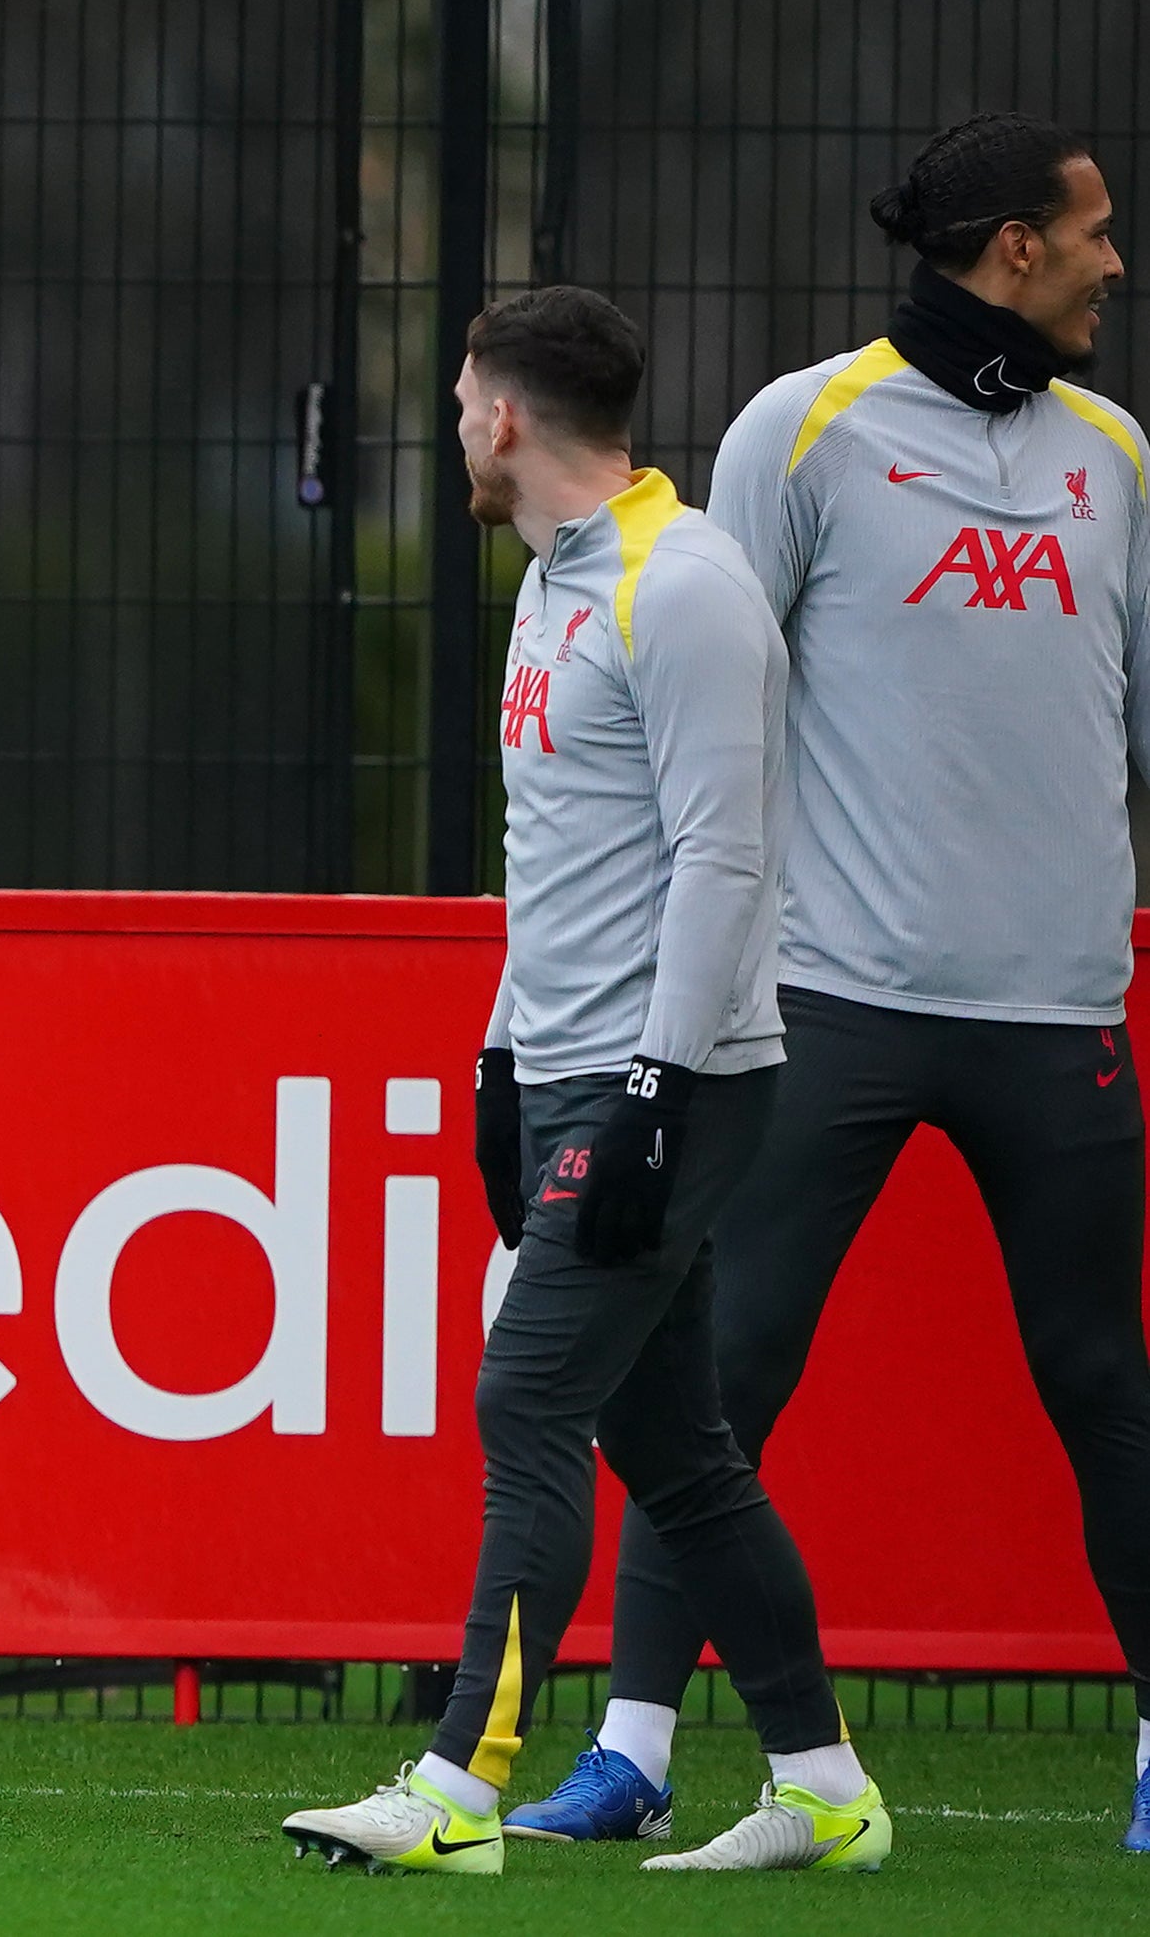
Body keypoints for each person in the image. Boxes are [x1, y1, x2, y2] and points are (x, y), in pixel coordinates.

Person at [519, 113, 1150, 1856]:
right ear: (1010, 249)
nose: (1116, 259)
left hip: (1061, 1019)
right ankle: (634, 1750)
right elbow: (710, 706)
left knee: (1103, 1381)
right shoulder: (799, 429)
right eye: (1093, 232)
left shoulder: (1116, 453)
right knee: (713, 1379)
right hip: (830, 1008)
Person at [279, 287, 890, 1875]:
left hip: (664, 1086)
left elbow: (724, 861)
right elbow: (561, 862)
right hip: (570, 1075)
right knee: (677, 1452)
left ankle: (457, 1789)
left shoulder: (684, 588)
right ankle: (824, 1787)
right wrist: (501, 1058)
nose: (454, 436)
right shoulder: (554, 583)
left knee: (522, 1396)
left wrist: (648, 1096)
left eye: (461, 405)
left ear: (497, 415)